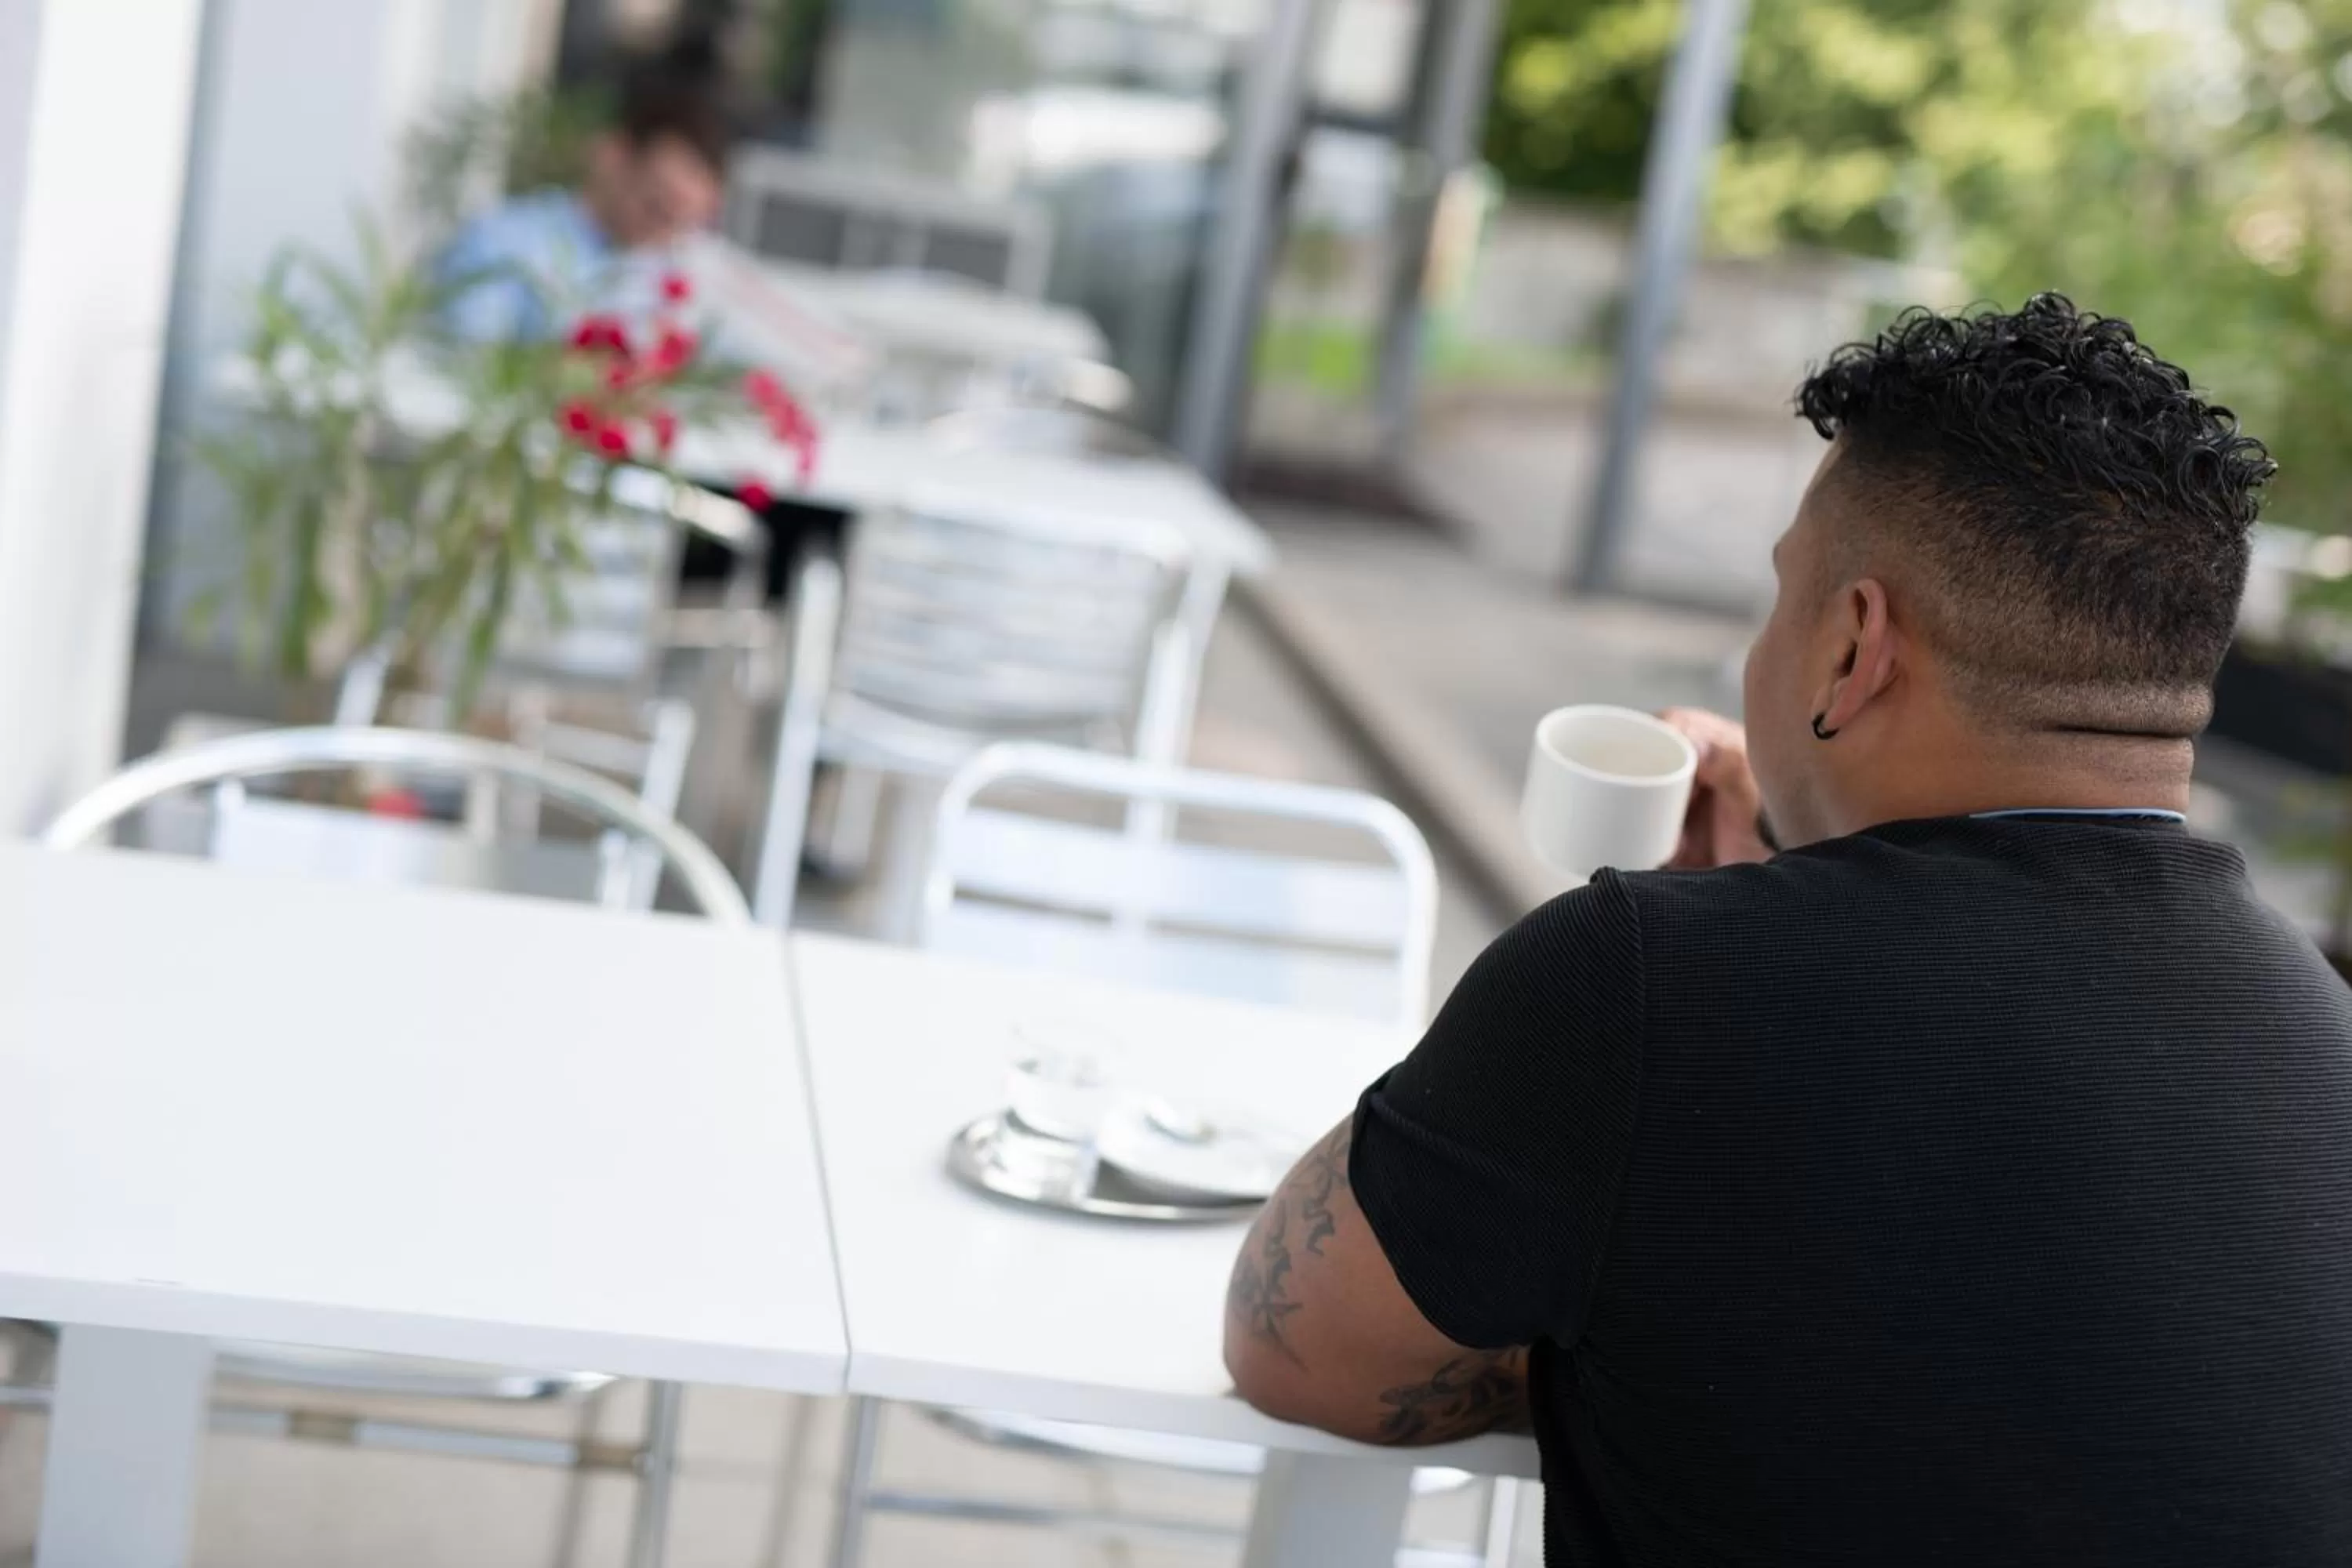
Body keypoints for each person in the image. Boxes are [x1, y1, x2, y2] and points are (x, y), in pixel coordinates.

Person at [1225, 295, 2352, 1565]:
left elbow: (1297, 1353)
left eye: (1779, 600)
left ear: (1853, 648)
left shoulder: (1635, 983)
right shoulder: (2328, 1040)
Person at [433, 70, 730, 342]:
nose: (662, 232)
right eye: (656, 205)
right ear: (612, 154)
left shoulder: (669, 276)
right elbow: (467, 355)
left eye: (679, 222)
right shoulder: (503, 242)